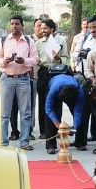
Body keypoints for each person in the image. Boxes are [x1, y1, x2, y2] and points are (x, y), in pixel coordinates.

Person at [0, 16, 37, 150]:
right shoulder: (3, 41)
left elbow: (36, 59)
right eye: (12, 24)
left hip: (24, 79)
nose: (14, 26)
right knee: (5, 113)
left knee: (25, 112)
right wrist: (5, 61)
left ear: (22, 26)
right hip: (7, 78)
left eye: (17, 24)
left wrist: (24, 61)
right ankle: (4, 142)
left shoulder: (29, 41)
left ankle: (24, 142)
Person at [35, 19, 67, 154]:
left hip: (57, 73)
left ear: (52, 29)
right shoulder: (37, 43)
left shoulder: (61, 41)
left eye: (46, 28)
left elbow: (66, 58)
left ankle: (55, 138)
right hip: (43, 74)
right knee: (45, 107)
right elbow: (35, 61)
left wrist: (59, 58)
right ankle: (49, 143)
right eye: (41, 29)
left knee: (56, 107)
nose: (43, 31)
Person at [44, 73, 85, 145]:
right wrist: (56, 122)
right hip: (55, 83)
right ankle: (50, 145)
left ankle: (80, 143)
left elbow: (78, 112)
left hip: (70, 90)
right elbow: (48, 108)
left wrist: (75, 127)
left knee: (81, 114)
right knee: (51, 116)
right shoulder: (54, 89)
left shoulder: (79, 92)